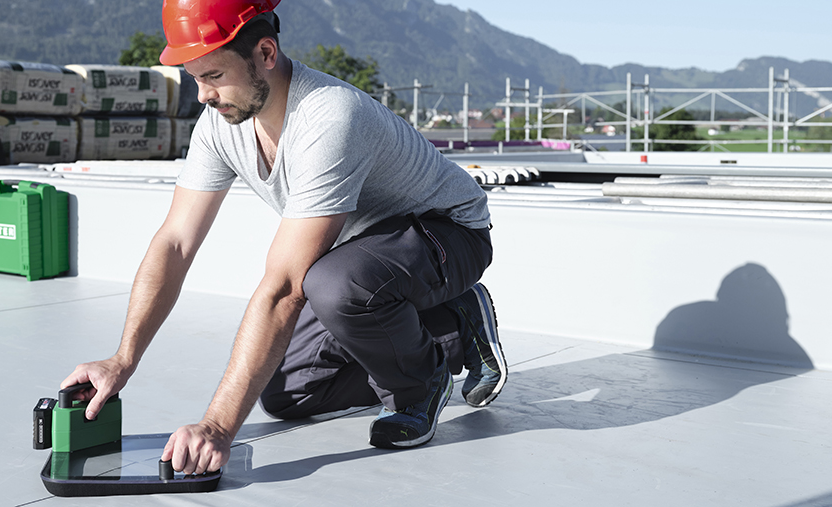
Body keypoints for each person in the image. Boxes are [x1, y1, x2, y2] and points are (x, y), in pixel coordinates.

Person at [61, 0, 506, 476]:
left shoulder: (329, 116)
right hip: (361, 257)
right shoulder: (222, 124)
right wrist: (122, 359)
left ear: (266, 53)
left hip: (446, 234)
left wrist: (217, 426)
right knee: (290, 390)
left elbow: (285, 288)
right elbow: (175, 241)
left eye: (212, 75)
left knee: (335, 286)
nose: (202, 95)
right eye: (194, 78)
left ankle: (419, 385)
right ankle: (450, 329)